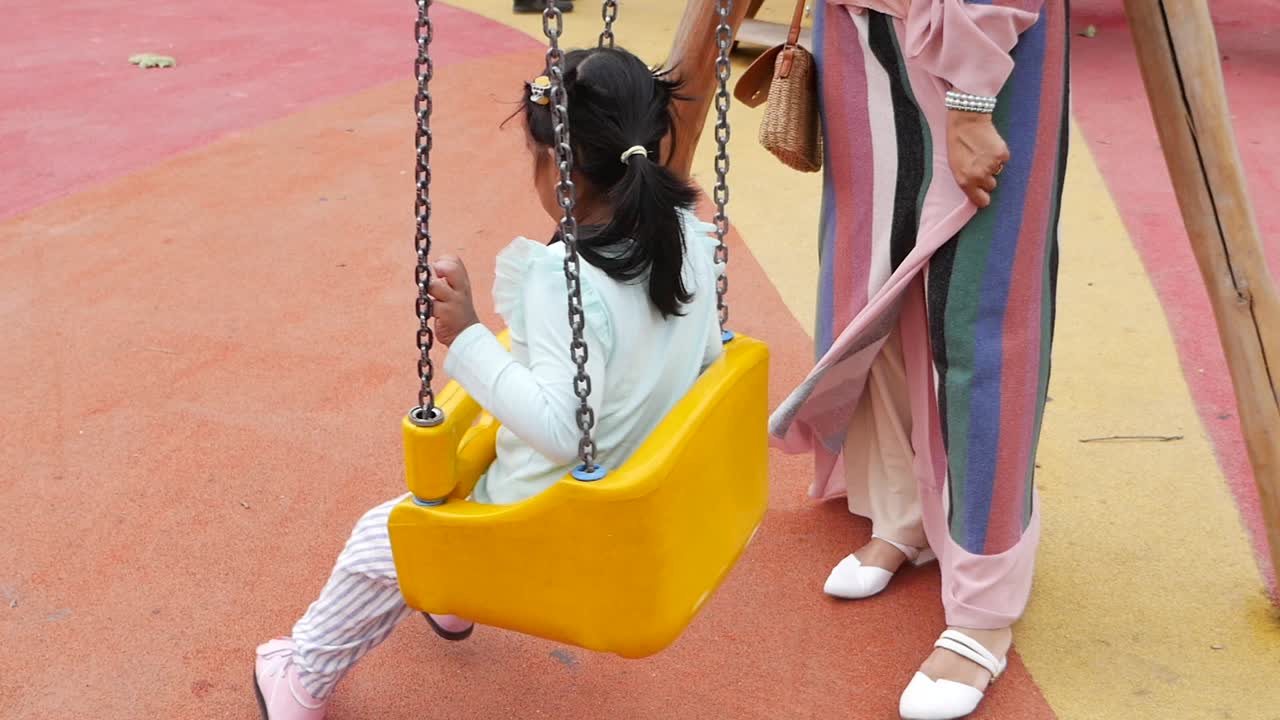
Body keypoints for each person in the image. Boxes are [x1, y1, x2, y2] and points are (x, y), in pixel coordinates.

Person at [252, 46, 724, 720]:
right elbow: (705, 352)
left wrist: (468, 335)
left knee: (383, 535)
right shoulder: (684, 231)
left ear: (559, 170)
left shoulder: (568, 282)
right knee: (474, 443)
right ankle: (448, 594)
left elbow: (563, 432)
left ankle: (301, 678)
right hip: (640, 494)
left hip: (555, 518)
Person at [768, 1, 1068, 719]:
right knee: (872, 288)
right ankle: (903, 508)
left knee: (981, 312)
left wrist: (970, 99)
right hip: (857, 30)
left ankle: (984, 607)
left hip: (984, 41)